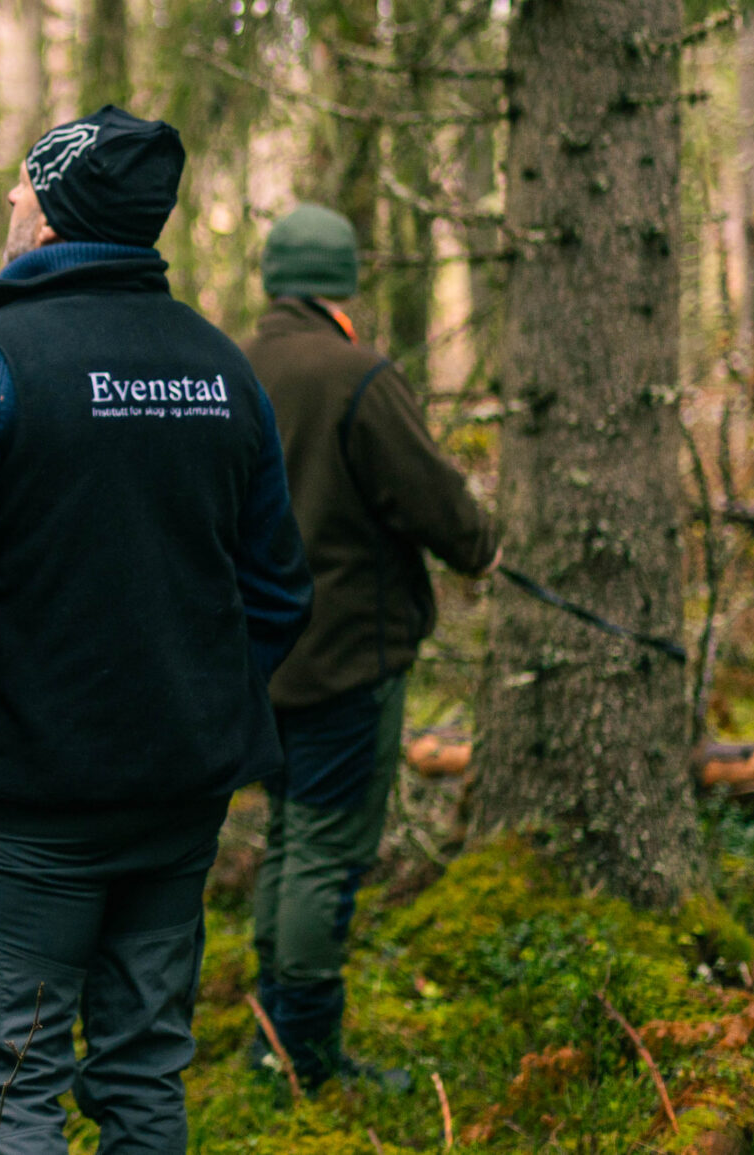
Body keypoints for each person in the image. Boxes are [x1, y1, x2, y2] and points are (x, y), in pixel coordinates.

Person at [0, 106, 313, 1155]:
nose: (9, 198)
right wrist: (197, 712)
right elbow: (280, 590)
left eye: (25, 183)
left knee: (11, 1073)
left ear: (56, 208)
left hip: (29, 803)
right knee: (141, 1070)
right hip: (179, 795)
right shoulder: (221, 368)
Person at [240, 204, 500, 1092]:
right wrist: (483, 545)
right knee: (324, 847)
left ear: (276, 281)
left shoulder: (228, 371)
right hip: (347, 655)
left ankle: (271, 1034)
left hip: (254, 663)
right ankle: (305, 1057)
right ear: (342, 286)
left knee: (287, 835)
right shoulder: (357, 376)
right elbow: (435, 503)